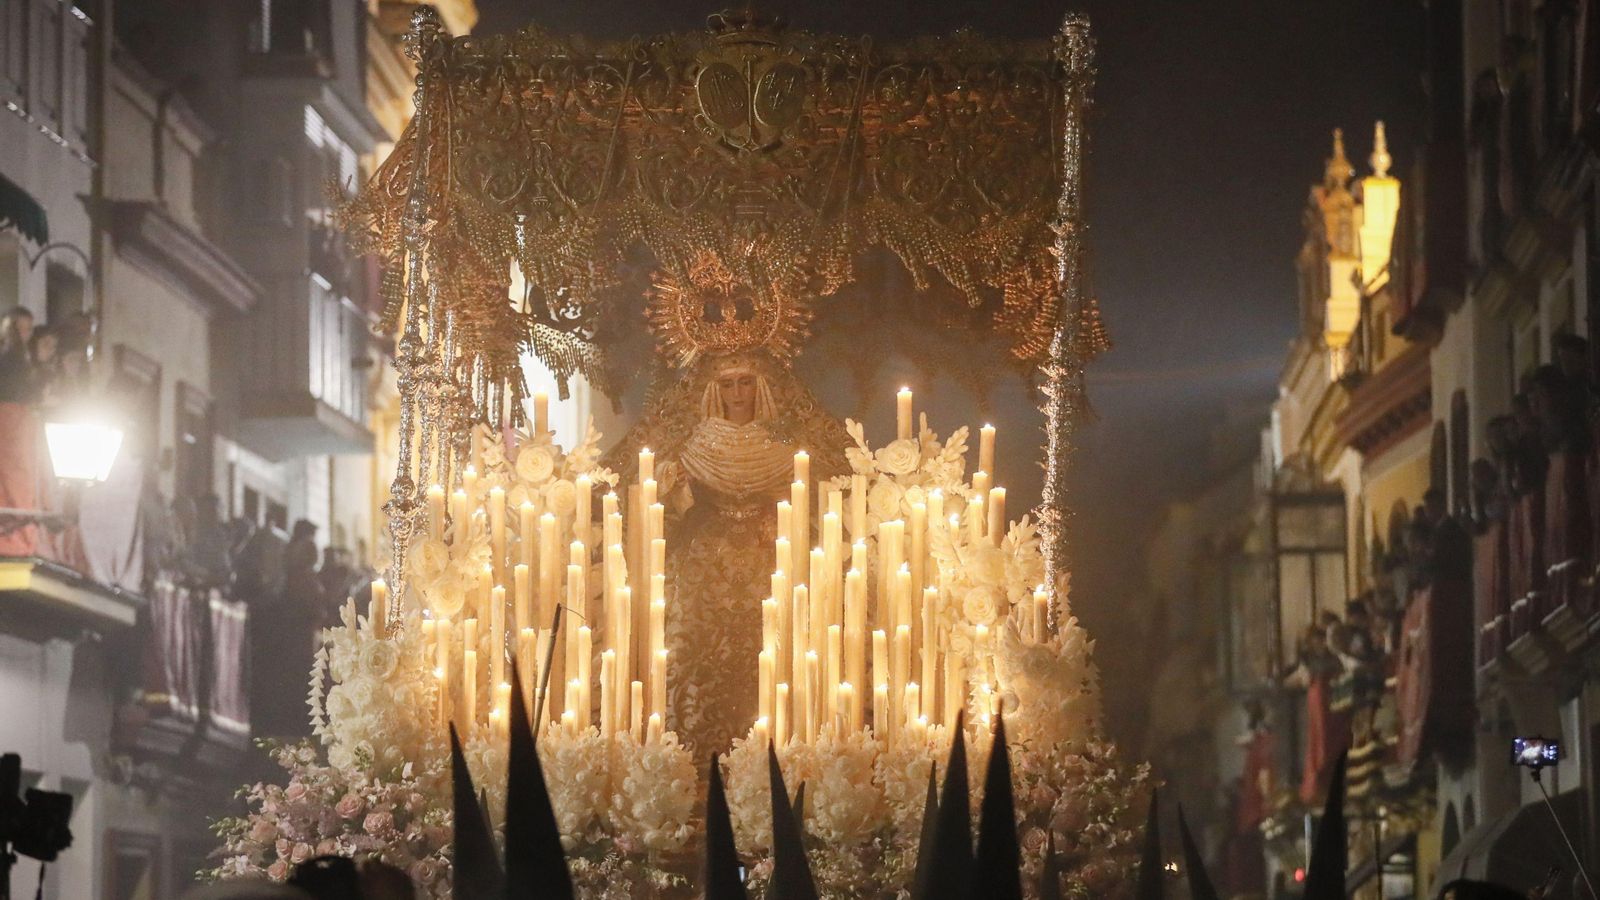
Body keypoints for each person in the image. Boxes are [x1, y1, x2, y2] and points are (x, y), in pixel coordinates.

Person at [0, 306, 35, 403]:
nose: (24, 332)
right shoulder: (5, 356)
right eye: (19, 328)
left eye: (29, 328)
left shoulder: (30, 353)